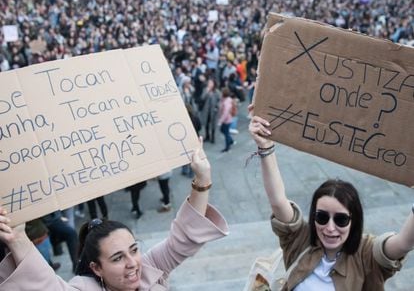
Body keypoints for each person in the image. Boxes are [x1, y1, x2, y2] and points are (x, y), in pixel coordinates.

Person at [0, 138, 229, 290]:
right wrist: (18, 237)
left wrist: (203, 179)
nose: (133, 264)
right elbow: (45, 286)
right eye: (118, 258)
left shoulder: (149, 268)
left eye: (134, 250)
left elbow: (183, 239)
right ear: (96, 268)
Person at [248, 108, 414, 290]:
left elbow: (403, 243)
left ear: (354, 220)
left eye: (341, 219)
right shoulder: (300, 239)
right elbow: (278, 201)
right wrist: (265, 146)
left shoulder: (366, 254)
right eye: (322, 217)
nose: (330, 227)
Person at [218, 87, 234, 153]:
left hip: (226, 120)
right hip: (227, 119)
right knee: (223, 131)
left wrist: (220, 121)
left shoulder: (227, 102)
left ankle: (227, 147)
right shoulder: (225, 99)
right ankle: (231, 140)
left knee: (226, 132)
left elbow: (225, 113)